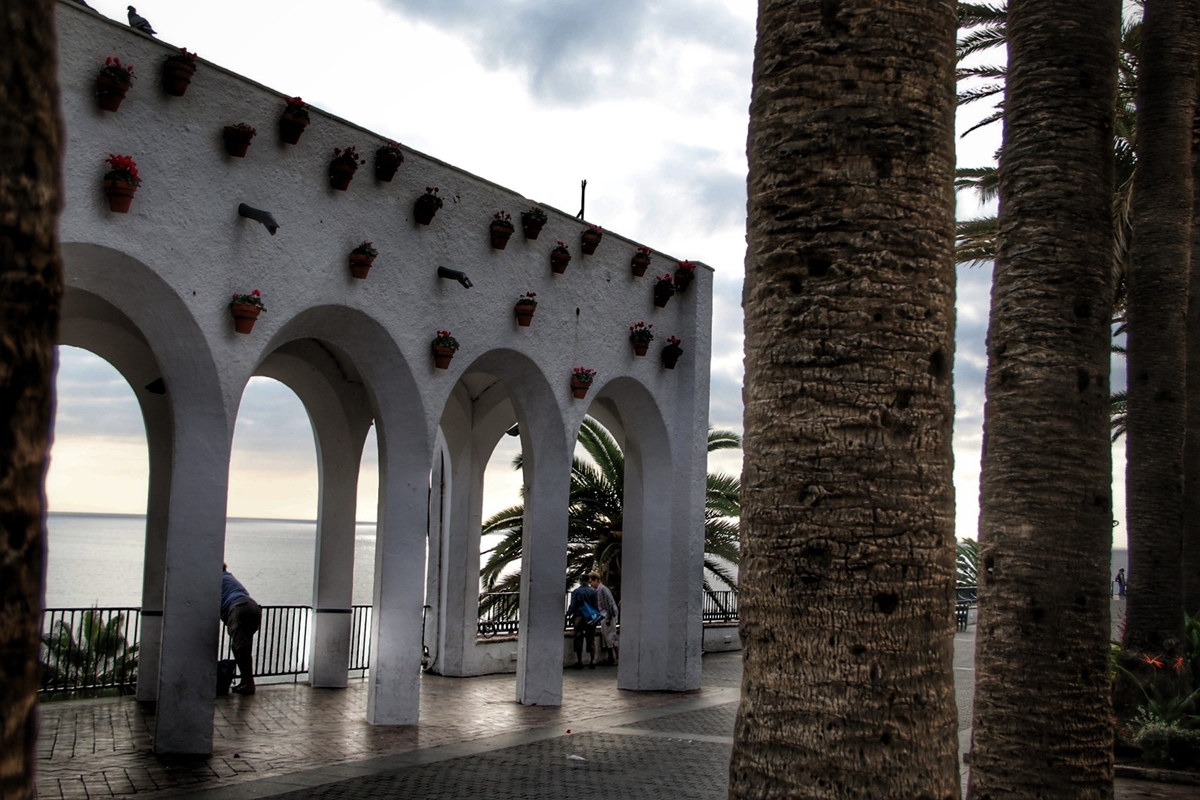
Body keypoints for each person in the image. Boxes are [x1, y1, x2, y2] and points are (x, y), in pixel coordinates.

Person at [221, 564, 262, 694]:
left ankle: (249, 683)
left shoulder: (216, 579)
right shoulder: (229, 577)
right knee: (240, 647)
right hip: (252, 606)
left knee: (241, 649)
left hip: (239, 607)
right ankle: (245, 681)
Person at [566, 575, 600, 669]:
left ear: (580, 581)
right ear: (588, 581)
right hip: (590, 617)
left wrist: (569, 614)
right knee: (591, 639)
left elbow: (572, 606)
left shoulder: (576, 592)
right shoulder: (593, 592)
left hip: (579, 617)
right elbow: (596, 606)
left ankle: (579, 661)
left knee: (578, 638)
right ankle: (592, 661)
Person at [589, 572, 619, 666]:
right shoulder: (599, 590)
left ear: (596, 580)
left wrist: (609, 617)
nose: (590, 584)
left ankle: (617, 658)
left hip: (607, 614)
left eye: (591, 582)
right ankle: (611, 657)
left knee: (611, 637)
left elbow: (608, 603)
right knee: (607, 638)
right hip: (604, 613)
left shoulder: (602, 589)